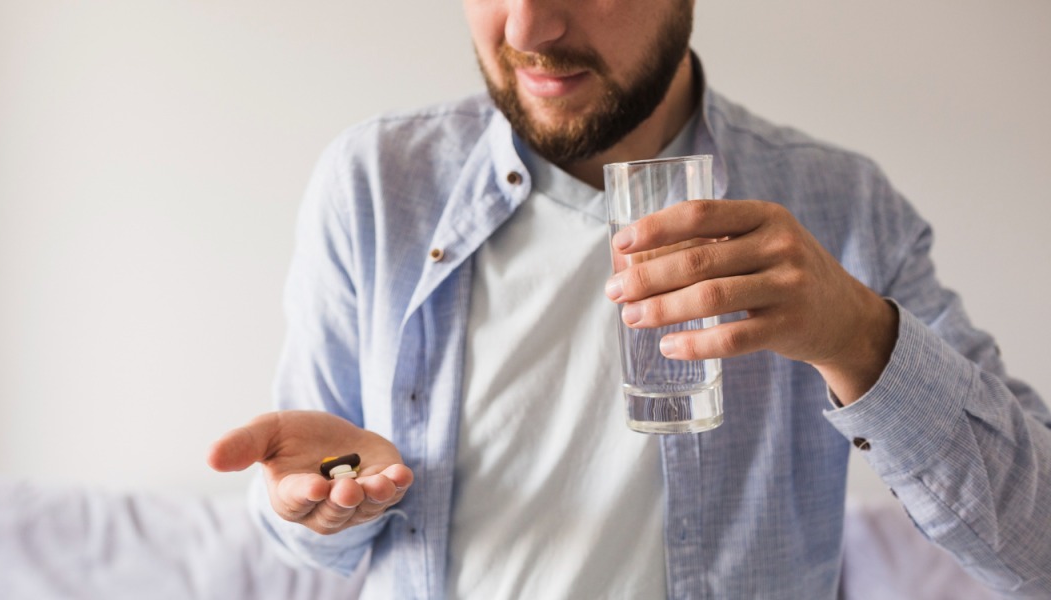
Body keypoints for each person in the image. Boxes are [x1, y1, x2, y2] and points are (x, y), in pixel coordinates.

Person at [208, 0, 1051, 597]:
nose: (528, 28)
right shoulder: (376, 186)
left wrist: (862, 338)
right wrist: (320, 503)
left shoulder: (842, 206)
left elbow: (1038, 550)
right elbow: (307, 537)